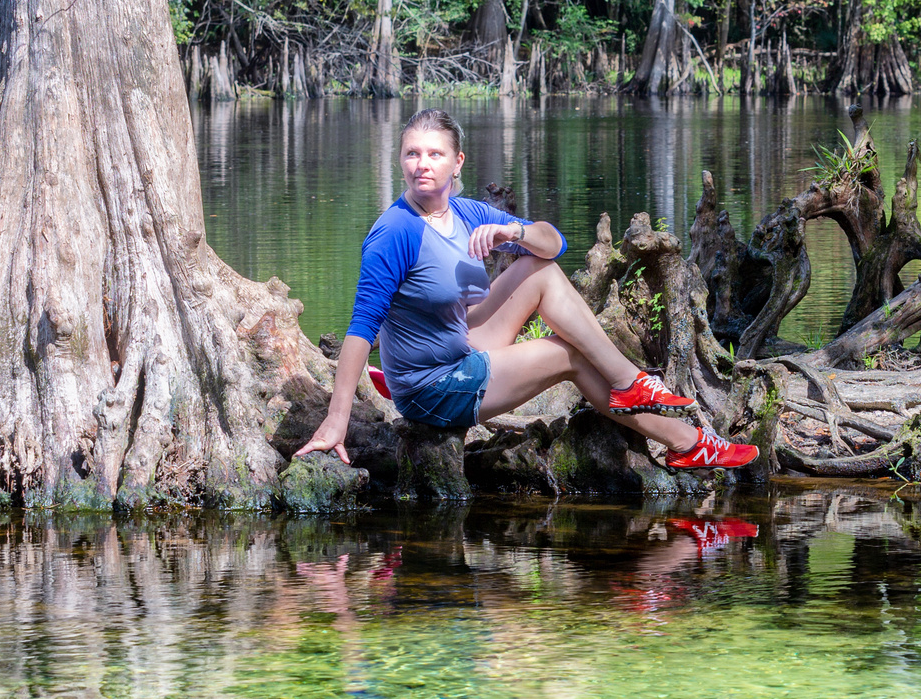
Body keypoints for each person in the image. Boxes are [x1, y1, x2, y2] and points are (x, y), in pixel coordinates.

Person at [295, 108, 759, 471]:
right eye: (412, 153)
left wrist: (511, 234)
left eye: (435, 154)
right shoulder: (394, 232)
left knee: (541, 270)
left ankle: (634, 388)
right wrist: (337, 420)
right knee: (570, 355)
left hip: (465, 342)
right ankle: (682, 438)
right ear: (400, 160)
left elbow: (554, 243)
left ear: (457, 162)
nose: (422, 165)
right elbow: (361, 328)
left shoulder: (468, 213)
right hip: (431, 385)